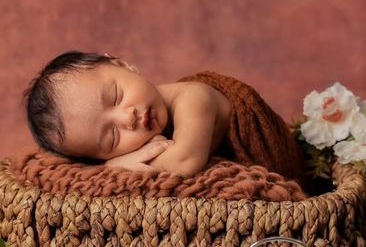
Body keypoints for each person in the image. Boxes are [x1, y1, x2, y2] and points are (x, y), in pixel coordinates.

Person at [25, 51, 306, 182]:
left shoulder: (193, 98)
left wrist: (114, 164)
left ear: (123, 65)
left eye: (116, 97)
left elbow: (185, 160)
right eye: (112, 137)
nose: (128, 118)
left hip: (296, 174)